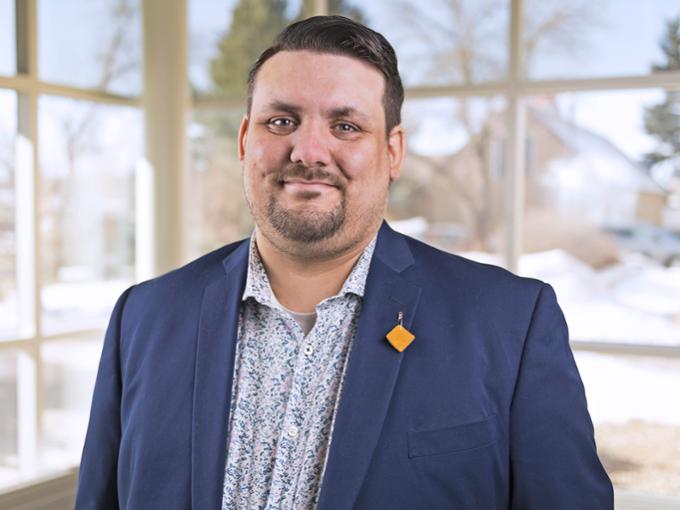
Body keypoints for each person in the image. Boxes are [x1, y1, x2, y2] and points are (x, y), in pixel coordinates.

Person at [75, 15, 613, 510]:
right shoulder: (144, 318)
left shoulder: (511, 323)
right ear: (245, 139)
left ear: (393, 151)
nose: (308, 150)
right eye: (281, 121)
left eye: (346, 126)